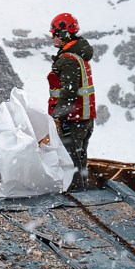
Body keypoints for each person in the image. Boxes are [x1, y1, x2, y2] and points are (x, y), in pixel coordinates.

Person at [47, 12, 96, 192]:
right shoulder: (79, 55)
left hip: (73, 120)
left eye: (54, 33)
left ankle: (75, 196)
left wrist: (57, 117)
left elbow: (68, 92)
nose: (52, 37)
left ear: (63, 34)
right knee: (80, 159)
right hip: (84, 119)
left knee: (70, 161)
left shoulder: (68, 60)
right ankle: (81, 192)